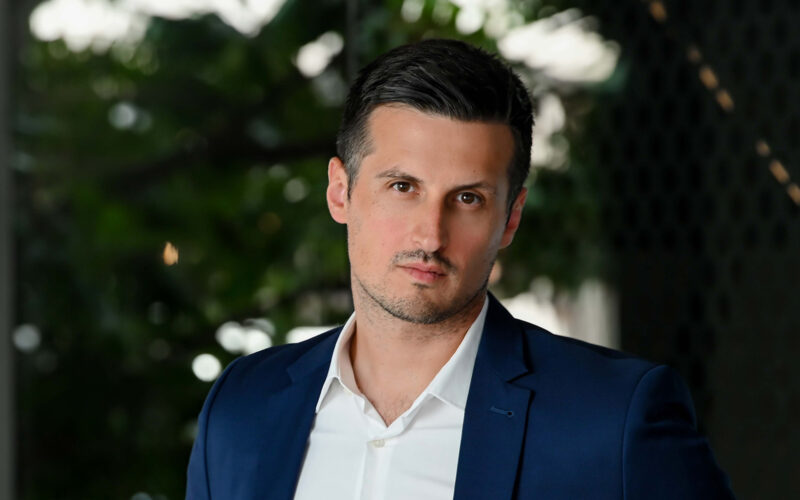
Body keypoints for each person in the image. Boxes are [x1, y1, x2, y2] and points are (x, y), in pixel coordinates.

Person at [186, 39, 735, 500]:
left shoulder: (615, 421)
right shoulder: (244, 407)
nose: (431, 235)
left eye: (468, 198)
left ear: (511, 217)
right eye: (403, 187)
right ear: (340, 192)